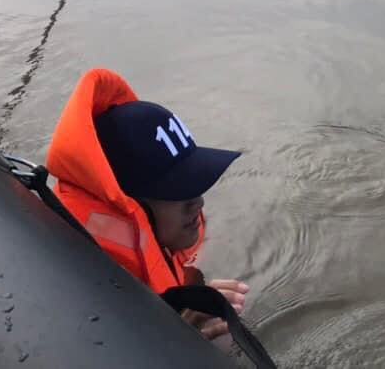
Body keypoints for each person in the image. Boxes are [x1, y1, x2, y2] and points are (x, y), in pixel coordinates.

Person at [46, 68, 249, 345]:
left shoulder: (158, 231)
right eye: (179, 191)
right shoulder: (91, 280)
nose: (198, 202)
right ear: (130, 207)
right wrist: (174, 338)